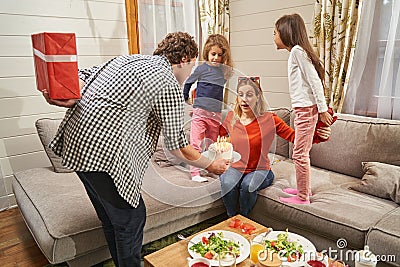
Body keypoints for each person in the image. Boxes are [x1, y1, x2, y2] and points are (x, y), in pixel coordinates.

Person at [41, 32, 230, 267]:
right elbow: (178, 146)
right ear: (184, 59)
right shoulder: (166, 80)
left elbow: (83, 75)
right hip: (102, 155)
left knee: (113, 218)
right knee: (132, 218)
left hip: (75, 147)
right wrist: (211, 164)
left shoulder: (128, 60)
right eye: (192, 65)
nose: (190, 72)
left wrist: (65, 93)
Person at [218, 77, 331, 217]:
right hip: (235, 167)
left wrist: (318, 136)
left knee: (248, 186)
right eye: (240, 95)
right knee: (228, 182)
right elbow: (219, 138)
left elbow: (295, 138)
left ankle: (243, 218)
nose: (244, 99)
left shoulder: (269, 119)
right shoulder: (231, 117)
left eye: (249, 95)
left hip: (260, 170)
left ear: (258, 97)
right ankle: (231, 217)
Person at [273, 14, 333, 204]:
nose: (273, 36)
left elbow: (314, 80)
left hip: (306, 110)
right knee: (299, 152)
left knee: (299, 154)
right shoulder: (296, 53)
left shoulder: (297, 51)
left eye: (275, 33)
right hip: (303, 110)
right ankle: (303, 190)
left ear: (286, 33)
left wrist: (322, 110)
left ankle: (303, 197)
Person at [183, 34, 234, 182]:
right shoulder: (201, 69)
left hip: (215, 113)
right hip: (200, 111)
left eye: (219, 55)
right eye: (213, 54)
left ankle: (211, 168)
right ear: (207, 53)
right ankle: (195, 173)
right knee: (196, 142)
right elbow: (188, 83)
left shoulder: (224, 71)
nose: (216, 58)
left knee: (212, 145)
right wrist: (186, 97)